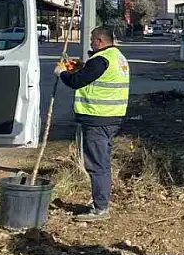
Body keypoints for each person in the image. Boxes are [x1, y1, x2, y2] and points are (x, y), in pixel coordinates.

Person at [54, 26, 130, 222]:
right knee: (101, 163)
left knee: (97, 165)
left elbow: (77, 81)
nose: (90, 44)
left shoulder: (101, 60)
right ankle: (100, 202)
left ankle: (100, 208)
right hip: (111, 118)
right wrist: (75, 66)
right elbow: (89, 72)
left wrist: (62, 73)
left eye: (91, 40)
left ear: (99, 41)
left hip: (98, 119)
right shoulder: (117, 57)